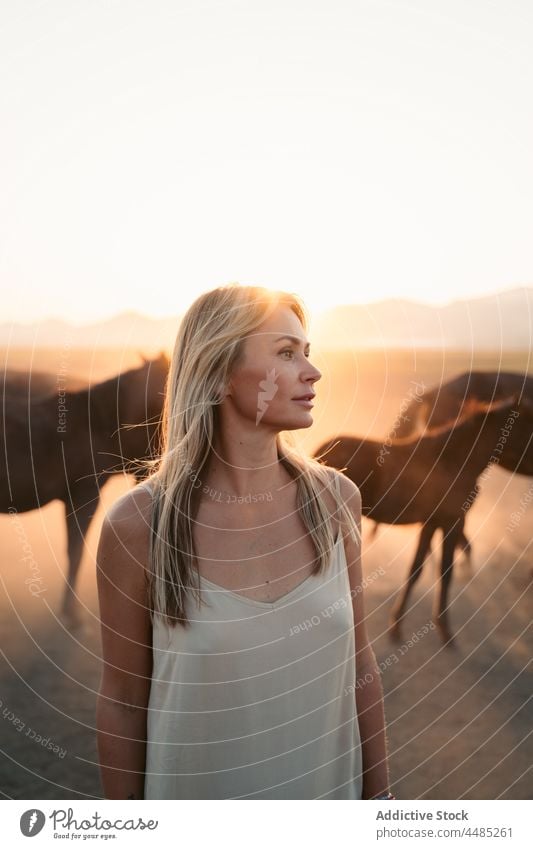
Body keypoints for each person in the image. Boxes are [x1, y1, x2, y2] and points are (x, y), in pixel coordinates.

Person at [95, 283, 394, 800]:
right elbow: (122, 702)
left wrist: (381, 804)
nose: (312, 371)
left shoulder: (337, 501)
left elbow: (361, 666)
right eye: (285, 353)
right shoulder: (138, 525)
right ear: (220, 374)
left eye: (307, 352)